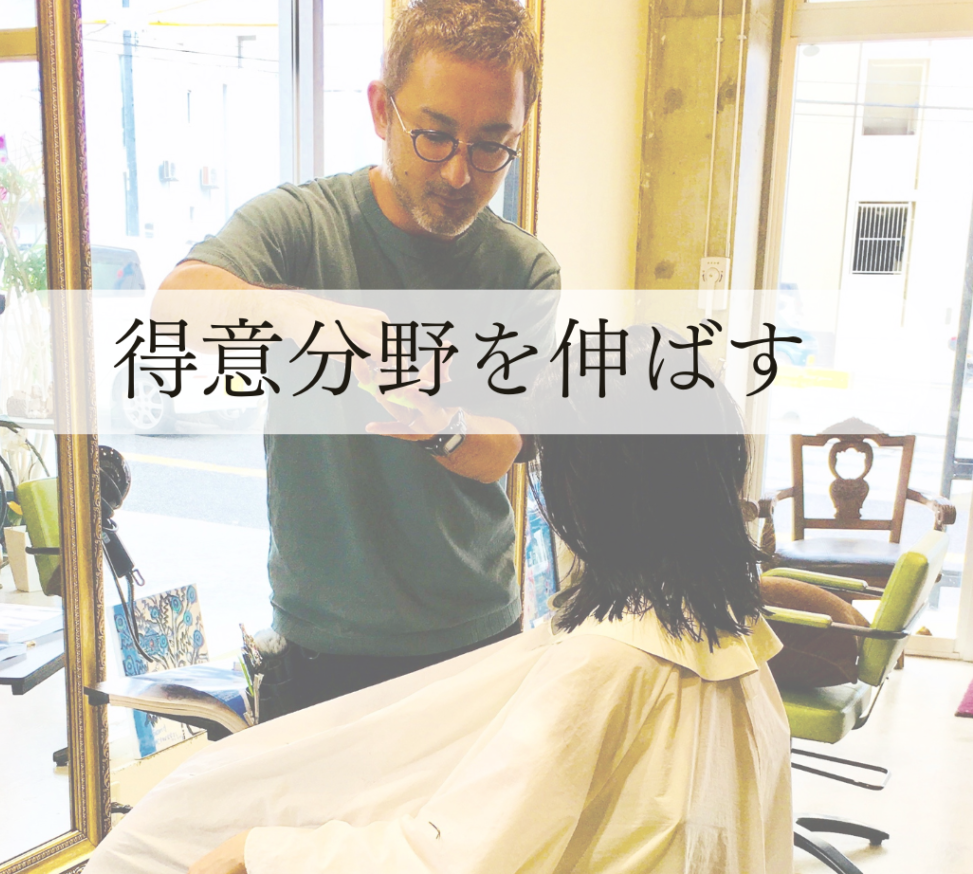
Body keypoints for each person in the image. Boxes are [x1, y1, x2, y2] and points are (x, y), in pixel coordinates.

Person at [84, 334, 793, 874]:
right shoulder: (730, 636)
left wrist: (260, 851)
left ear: (600, 487)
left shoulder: (612, 660)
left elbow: (454, 858)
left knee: (184, 829)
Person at [156, 0, 560, 717]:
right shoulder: (301, 226)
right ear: (381, 109)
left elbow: (505, 445)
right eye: (434, 135)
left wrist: (441, 424)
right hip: (322, 649)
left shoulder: (522, 270)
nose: (459, 172)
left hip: (475, 639)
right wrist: (319, 321)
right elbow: (175, 311)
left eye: (491, 146)